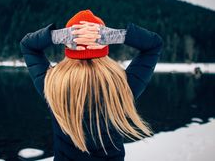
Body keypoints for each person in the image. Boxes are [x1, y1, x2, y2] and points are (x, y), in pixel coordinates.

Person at [19, 9, 164, 161]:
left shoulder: (53, 85)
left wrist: (56, 35)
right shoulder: (122, 86)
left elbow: (27, 45)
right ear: (104, 43)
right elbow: (154, 44)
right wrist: (118, 35)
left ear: (68, 44)